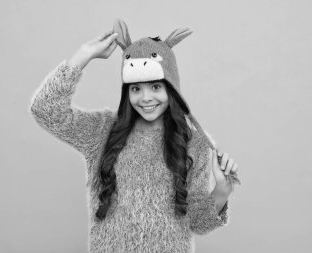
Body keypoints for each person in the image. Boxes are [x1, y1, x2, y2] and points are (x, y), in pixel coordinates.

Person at [29, 19, 241, 253]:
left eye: (156, 87)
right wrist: (83, 55)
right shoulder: (102, 130)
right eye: (136, 88)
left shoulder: (195, 142)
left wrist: (221, 191)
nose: (145, 98)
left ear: (172, 88)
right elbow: (45, 110)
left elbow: (198, 224)